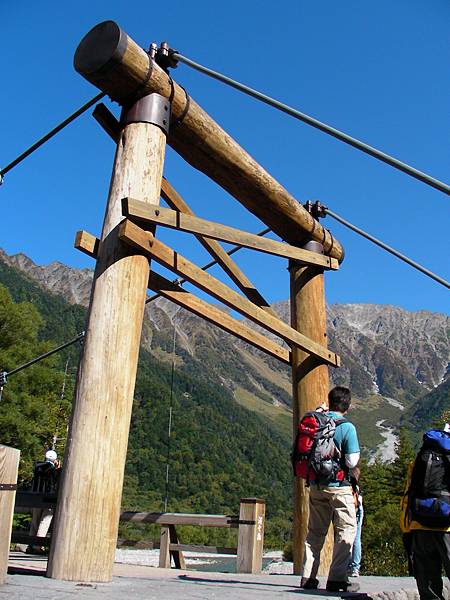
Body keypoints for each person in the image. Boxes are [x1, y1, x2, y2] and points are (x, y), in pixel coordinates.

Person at [300, 386, 361, 593]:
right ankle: (337, 578)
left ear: (330, 401)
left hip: (316, 485)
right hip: (339, 487)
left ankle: (308, 576)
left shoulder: (318, 421)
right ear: (347, 405)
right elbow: (352, 461)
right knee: (346, 531)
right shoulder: (347, 427)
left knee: (315, 533)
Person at [400, 428, 450, 600]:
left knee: (428, 588)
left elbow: (408, 494)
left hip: (420, 524)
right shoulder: (446, 459)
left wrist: (406, 529)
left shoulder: (419, 458)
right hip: (447, 527)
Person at [27, 449, 61, 554]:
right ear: (54, 459)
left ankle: (30, 544)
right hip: (48, 498)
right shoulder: (53, 469)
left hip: (35, 497)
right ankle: (38, 546)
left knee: (35, 521)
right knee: (44, 522)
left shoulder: (37, 466)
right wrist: (58, 469)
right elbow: (56, 481)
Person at [348, 482, 363, 577]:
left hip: (352, 505)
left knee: (349, 538)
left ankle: (352, 567)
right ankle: (354, 568)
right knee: (356, 539)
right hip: (357, 505)